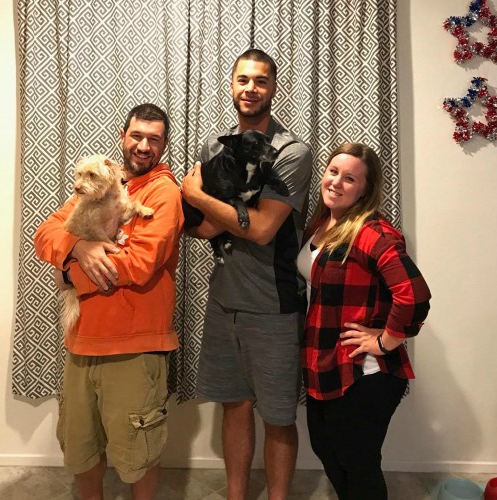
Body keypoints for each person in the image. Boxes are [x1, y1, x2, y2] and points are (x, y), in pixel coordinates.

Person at [34, 103, 183, 500]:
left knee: (138, 455)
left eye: (154, 139)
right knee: (80, 449)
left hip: (135, 345)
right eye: (137, 135)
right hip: (82, 342)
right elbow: (45, 233)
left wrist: (67, 272)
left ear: (164, 145)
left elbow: (138, 264)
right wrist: (77, 245)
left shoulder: (164, 192)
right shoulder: (99, 184)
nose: (144, 146)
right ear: (122, 137)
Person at [181, 49, 312, 500]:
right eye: (242, 80)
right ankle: (236, 494)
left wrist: (202, 197)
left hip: (273, 305)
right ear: (231, 85)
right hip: (223, 301)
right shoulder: (212, 147)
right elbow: (199, 229)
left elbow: (261, 230)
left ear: (273, 88)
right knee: (234, 405)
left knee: (277, 415)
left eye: (260, 81)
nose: (250, 88)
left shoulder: (291, 151)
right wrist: (227, 205)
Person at [297, 143, 431, 500]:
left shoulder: (372, 232)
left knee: (359, 463)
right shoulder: (322, 225)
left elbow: (415, 294)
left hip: (364, 372)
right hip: (325, 363)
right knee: (329, 452)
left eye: (350, 178)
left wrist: (386, 340)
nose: (337, 182)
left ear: (364, 189)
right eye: (333, 172)